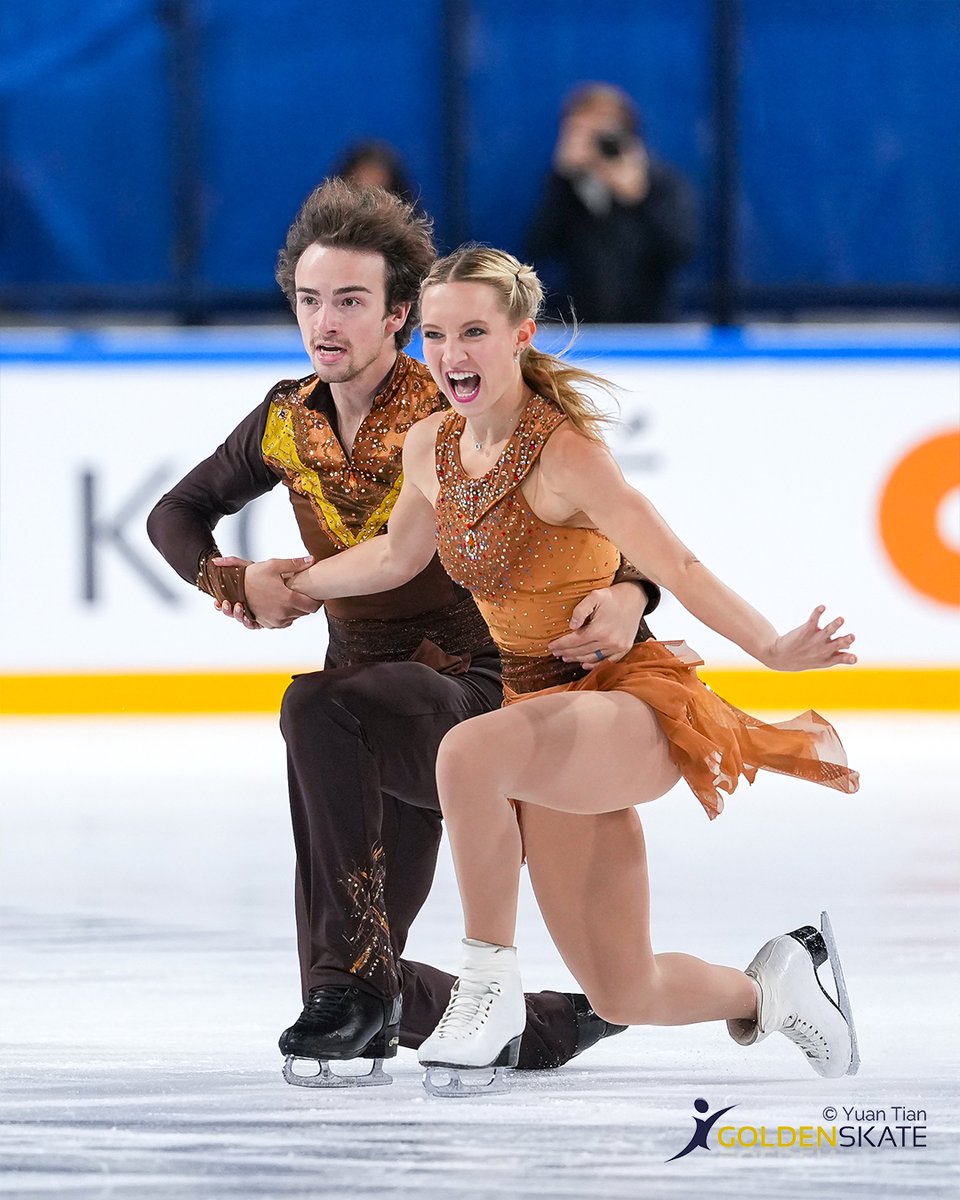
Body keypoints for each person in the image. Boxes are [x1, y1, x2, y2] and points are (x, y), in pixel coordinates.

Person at [283, 245, 862, 1097]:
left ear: (520, 334)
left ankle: (487, 993)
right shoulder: (431, 448)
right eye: (438, 335)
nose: (452, 355)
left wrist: (775, 650)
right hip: (540, 715)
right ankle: (775, 985)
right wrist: (283, 584)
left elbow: (682, 565)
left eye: (474, 332)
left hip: (626, 702)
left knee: (466, 754)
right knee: (622, 987)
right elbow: (391, 558)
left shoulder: (567, 455)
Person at [146, 181, 660, 1087]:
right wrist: (226, 578)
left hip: (471, 693)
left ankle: (388, 996)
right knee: (344, 986)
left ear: (398, 315)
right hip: (357, 710)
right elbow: (176, 513)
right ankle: (551, 1027)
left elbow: (602, 522)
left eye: (350, 302)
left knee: (315, 709)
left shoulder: (455, 402)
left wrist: (632, 592)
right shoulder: (286, 417)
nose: (324, 322)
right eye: (309, 301)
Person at [526, 83, 696, 323]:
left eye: (603, 132)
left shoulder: (661, 183)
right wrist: (563, 178)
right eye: (584, 132)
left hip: (651, 325)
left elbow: (680, 249)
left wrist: (638, 198)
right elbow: (537, 249)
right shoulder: (566, 186)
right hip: (581, 325)